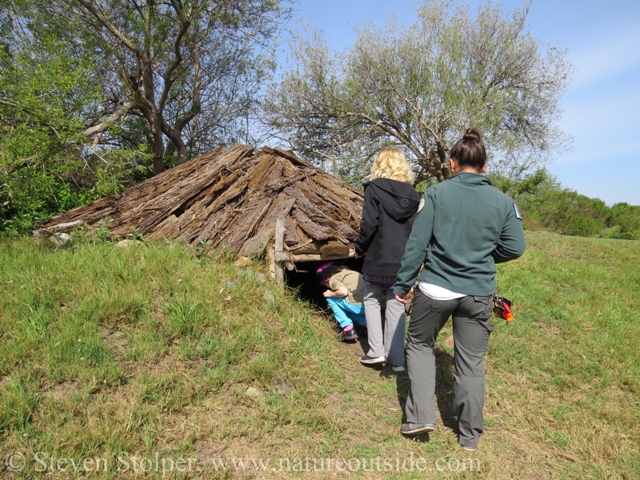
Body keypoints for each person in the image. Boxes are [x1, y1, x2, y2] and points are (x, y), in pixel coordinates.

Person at [393, 128, 526, 451]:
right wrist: (481, 255)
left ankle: (420, 416)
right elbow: (515, 247)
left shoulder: (436, 194)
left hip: (436, 288)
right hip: (479, 292)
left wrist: (403, 284)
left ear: (452, 164)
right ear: (484, 165)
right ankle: (469, 436)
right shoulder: (504, 201)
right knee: (470, 362)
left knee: (420, 344)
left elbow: (417, 245)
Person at [355, 147, 421, 372]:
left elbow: (369, 224)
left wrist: (360, 248)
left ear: (379, 165)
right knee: (397, 304)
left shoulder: (374, 189)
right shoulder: (414, 195)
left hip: (378, 257)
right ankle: (397, 360)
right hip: (404, 261)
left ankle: (375, 352)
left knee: (372, 298)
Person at [316, 262, 367, 341]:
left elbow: (343, 292)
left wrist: (331, 293)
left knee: (330, 298)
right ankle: (369, 325)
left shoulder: (333, 279)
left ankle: (347, 328)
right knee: (347, 311)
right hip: (369, 306)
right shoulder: (351, 273)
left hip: (356, 306)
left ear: (326, 280)